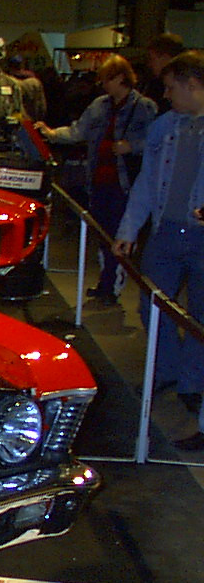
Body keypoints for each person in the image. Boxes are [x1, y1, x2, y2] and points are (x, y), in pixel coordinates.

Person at [112, 50, 204, 447]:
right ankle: (166, 371)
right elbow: (148, 183)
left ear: (192, 85)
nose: (165, 95)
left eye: (171, 87)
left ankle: (191, 383)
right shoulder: (164, 127)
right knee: (152, 305)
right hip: (166, 233)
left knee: (200, 318)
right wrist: (129, 229)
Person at [37, 54, 156, 304]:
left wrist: (131, 146)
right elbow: (78, 130)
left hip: (126, 185)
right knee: (103, 234)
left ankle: (112, 283)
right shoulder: (100, 105)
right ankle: (107, 281)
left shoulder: (144, 107)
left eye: (107, 79)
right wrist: (50, 133)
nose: (103, 84)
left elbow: (155, 144)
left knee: (118, 233)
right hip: (99, 181)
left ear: (121, 78)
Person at [142, 33, 184, 114]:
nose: (150, 65)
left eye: (152, 59)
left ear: (166, 58)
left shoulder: (182, 85)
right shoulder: (153, 85)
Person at [7, 55, 47, 122]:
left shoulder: (7, 82)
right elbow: (42, 106)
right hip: (32, 120)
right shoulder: (35, 82)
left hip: (16, 120)